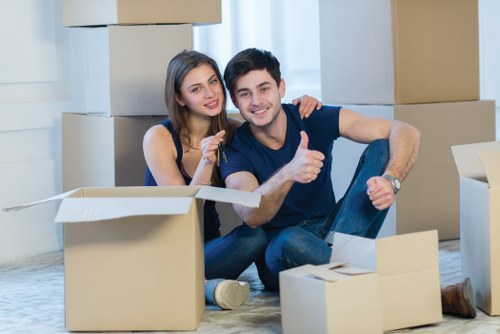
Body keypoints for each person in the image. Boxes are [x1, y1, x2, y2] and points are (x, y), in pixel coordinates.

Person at [219, 47, 476, 318]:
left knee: (382, 147)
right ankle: (430, 294)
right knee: (287, 240)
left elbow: (405, 130)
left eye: (264, 89)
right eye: (245, 94)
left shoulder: (310, 116)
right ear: (235, 100)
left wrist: (391, 180)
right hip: (283, 253)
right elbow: (251, 215)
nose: (257, 101)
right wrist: (289, 172)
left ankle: (338, 261)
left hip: (339, 228)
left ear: (281, 87)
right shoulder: (234, 150)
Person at [142, 50, 322, 310]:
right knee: (179, 263)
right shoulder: (159, 137)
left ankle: (203, 286)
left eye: (213, 82)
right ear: (180, 98)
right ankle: (205, 286)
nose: (210, 94)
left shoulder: (235, 130)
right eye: (196, 89)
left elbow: (274, 124)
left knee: (254, 237)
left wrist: (304, 105)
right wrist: (205, 164)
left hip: (211, 249)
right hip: (168, 248)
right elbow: (181, 213)